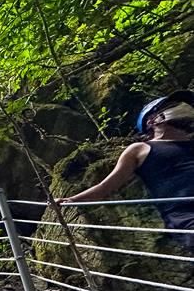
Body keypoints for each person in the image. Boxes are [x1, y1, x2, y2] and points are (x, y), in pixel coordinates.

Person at [57, 90, 194, 248]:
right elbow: (106, 187)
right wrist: (72, 200)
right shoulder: (140, 149)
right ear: (151, 120)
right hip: (184, 214)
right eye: (172, 106)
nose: (182, 107)